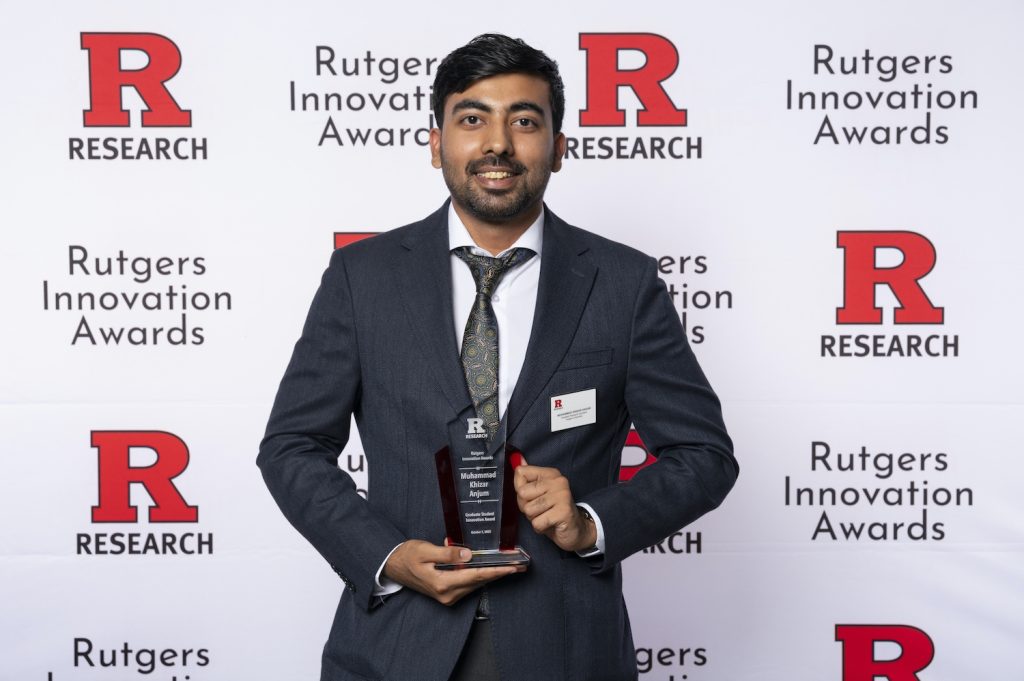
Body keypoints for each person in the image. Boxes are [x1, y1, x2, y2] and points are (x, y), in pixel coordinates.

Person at [258, 33, 738, 681]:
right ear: (436, 143)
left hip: (566, 649)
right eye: (472, 118)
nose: (498, 143)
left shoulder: (623, 284)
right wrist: (386, 554)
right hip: (397, 646)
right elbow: (291, 445)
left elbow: (704, 457)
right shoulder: (362, 277)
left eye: (524, 120)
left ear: (559, 148)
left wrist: (591, 521)